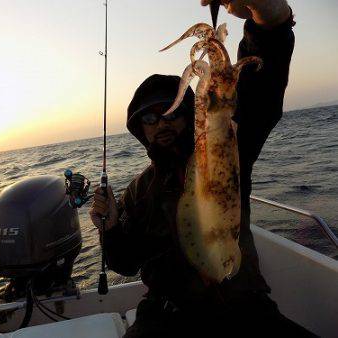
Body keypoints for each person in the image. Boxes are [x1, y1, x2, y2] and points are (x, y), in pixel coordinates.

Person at [90, 0, 316, 337]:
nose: (161, 123)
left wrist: (268, 18)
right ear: (141, 130)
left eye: (172, 110)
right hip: (167, 316)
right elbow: (126, 262)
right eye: (149, 119)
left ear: (190, 113)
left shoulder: (227, 149)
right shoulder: (140, 189)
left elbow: (258, 98)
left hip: (242, 308)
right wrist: (110, 229)